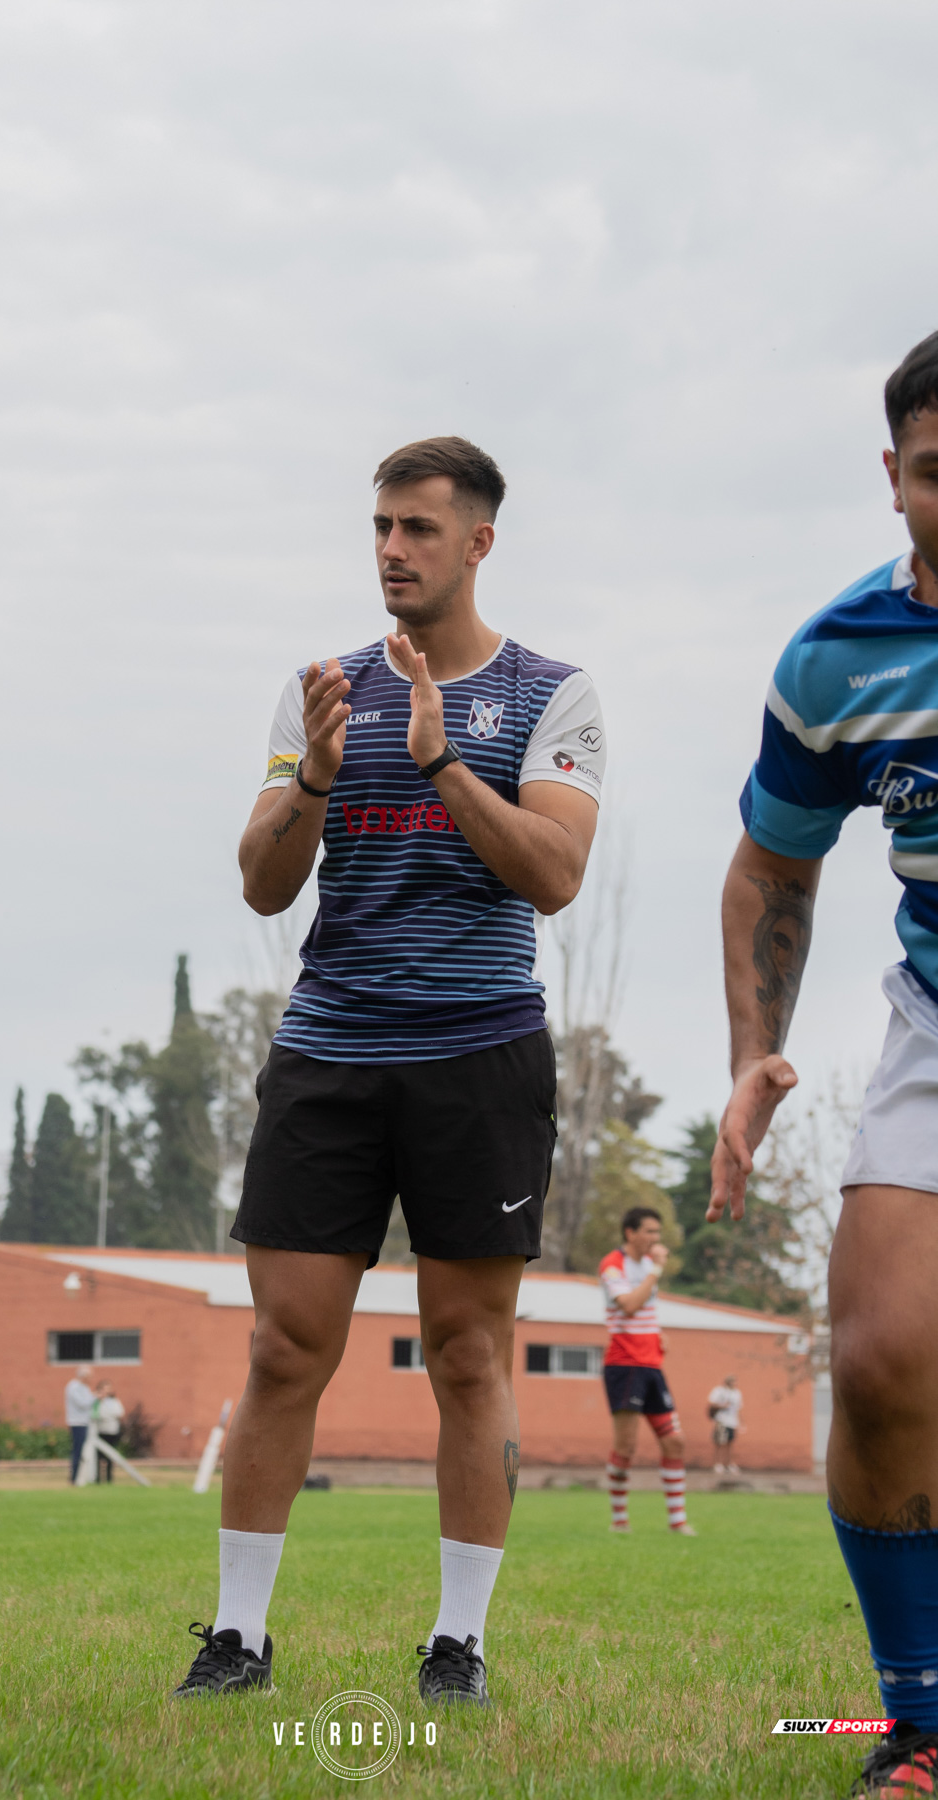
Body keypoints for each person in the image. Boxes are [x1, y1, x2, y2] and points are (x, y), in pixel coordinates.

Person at [174, 436, 604, 1704]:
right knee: (282, 1347)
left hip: (480, 1057)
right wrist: (316, 766)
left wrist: (437, 756)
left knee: (468, 1354)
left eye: (419, 529)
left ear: (477, 542)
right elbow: (262, 884)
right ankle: (238, 1639)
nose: (392, 552)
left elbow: (554, 874)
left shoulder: (552, 694)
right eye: (379, 527)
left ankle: (457, 1644)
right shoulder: (322, 688)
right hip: (331, 1053)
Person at [709, 330, 938, 1796]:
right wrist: (751, 1054)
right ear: (890, 477)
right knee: (875, 1358)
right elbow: (767, 877)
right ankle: (914, 1727)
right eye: (934, 476)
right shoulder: (834, 659)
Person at [598, 1207, 694, 1537]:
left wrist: (657, 1334)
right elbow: (628, 1305)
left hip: (652, 1365)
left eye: (658, 1233)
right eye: (650, 1232)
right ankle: (619, 1519)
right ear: (631, 1233)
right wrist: (656, 1270)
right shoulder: (613, 1264)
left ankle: (678, 1521)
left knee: (675, 1442)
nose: (655, 1239)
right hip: (624, 1366)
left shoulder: (646, 1267)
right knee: (625, 1448)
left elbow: (645, 1311)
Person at [64, 1365, 95, 1483]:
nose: (91, 1379)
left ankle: (80, 1476)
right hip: (77, 1423)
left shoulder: (84, 1388)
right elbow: (82, 1404)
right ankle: (74, 1478)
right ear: (83, 1376)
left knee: (82, 1450)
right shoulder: (73, 1387)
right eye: (89, 1376)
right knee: (77, 1450)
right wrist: (95, 1397)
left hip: (85, 1422)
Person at [708, 1376, 742, 1474]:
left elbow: (738, 1409)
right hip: (722, 1420)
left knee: (730, 1443)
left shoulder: (737, 1393)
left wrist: (741, 1423)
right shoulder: (719, 1391)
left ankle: (729, 1464)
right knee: (720, 1442)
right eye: (733, 1382)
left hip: (732, 1421)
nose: (735, 1384)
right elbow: (712, 1403)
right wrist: (723, 1406)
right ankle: (718, 1464)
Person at [93, 1380, 125, 1482]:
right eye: (104, 1389)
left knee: (110, 1457)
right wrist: (109, 1415)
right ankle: (97, 1478)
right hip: (100, 1432)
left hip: (112, 1432)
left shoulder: (115, 1401)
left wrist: (107, 1415)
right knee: (98, 1457)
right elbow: (98, 1414)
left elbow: (120, 1412)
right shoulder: (96, 1401)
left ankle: (109, 1479)